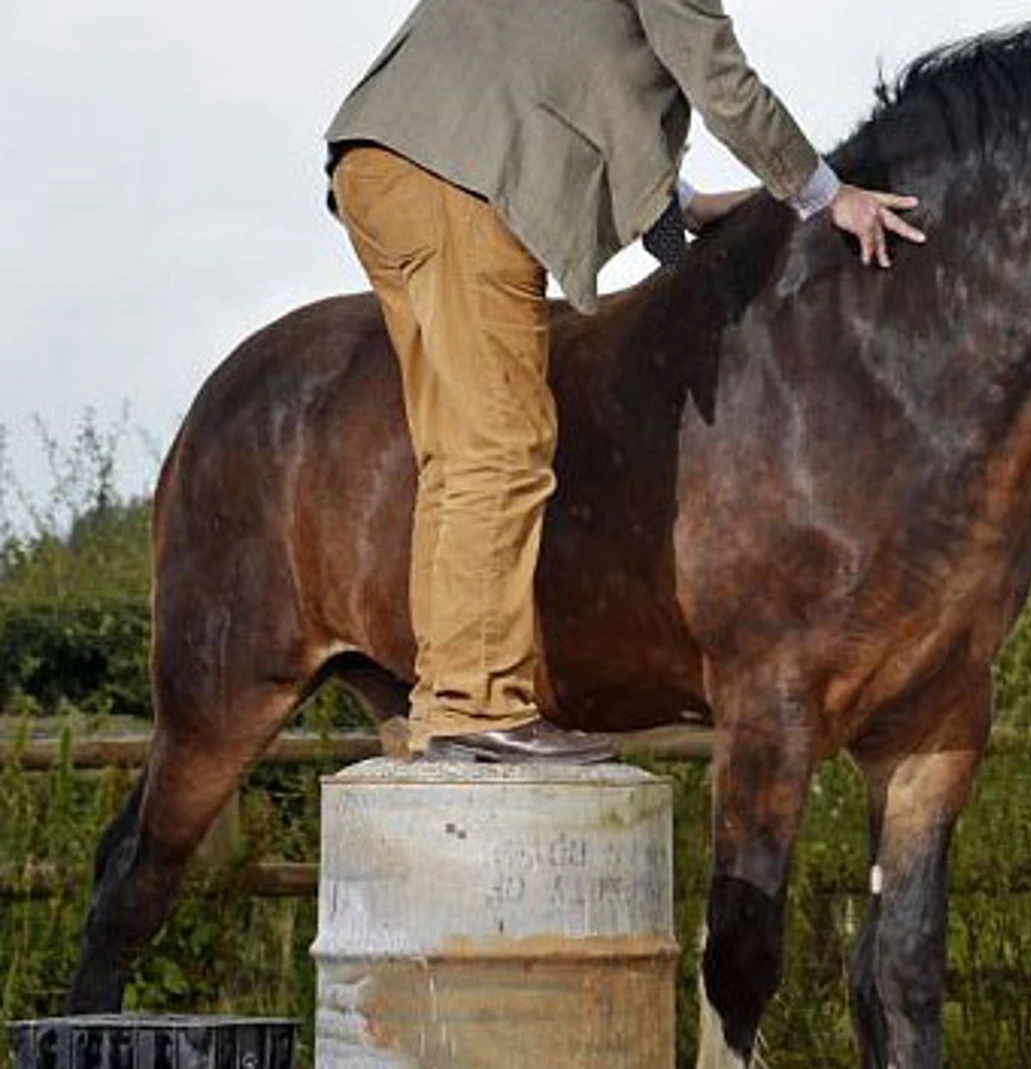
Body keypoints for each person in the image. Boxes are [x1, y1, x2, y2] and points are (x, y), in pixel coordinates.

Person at [324, 0, 926, 764]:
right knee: (502, 446)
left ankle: (447, 701)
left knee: (459, 454)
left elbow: (568, 78)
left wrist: (686, 205)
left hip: (388, 159)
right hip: (460, 178)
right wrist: (825, 193)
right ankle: (474, 705)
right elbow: (721, 81)